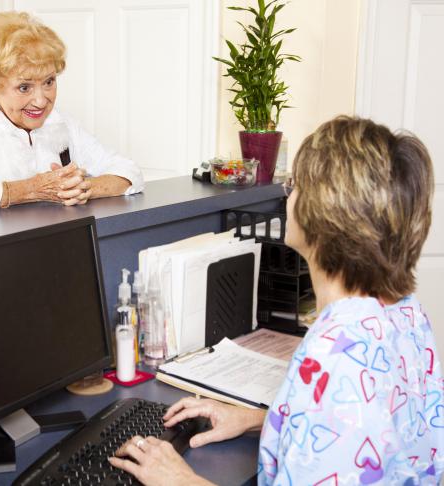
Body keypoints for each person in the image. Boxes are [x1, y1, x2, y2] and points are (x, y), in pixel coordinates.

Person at [109, 116, 444, 485]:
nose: (289, 197)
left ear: (324, 212)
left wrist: (179, 479)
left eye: (295, 185)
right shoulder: (404, 311)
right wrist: (262, 420)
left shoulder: (337, 359)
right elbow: (367, 433)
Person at [0, 11, 143, 214]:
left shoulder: (62, 124)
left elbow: (129, 171)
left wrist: (84, 187)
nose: (41, 101)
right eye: (24, 87)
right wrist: (30, 189)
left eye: (49, 81)